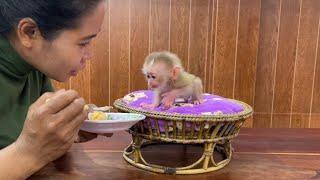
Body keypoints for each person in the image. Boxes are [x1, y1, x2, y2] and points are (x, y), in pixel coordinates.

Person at [0, 0, 109, 178]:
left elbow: (37, 130)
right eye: (83, 43)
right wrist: (29, 152)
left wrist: (70, 127)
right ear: (29, 32)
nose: (89, 55)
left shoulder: (34, 65)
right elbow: (29, 144)